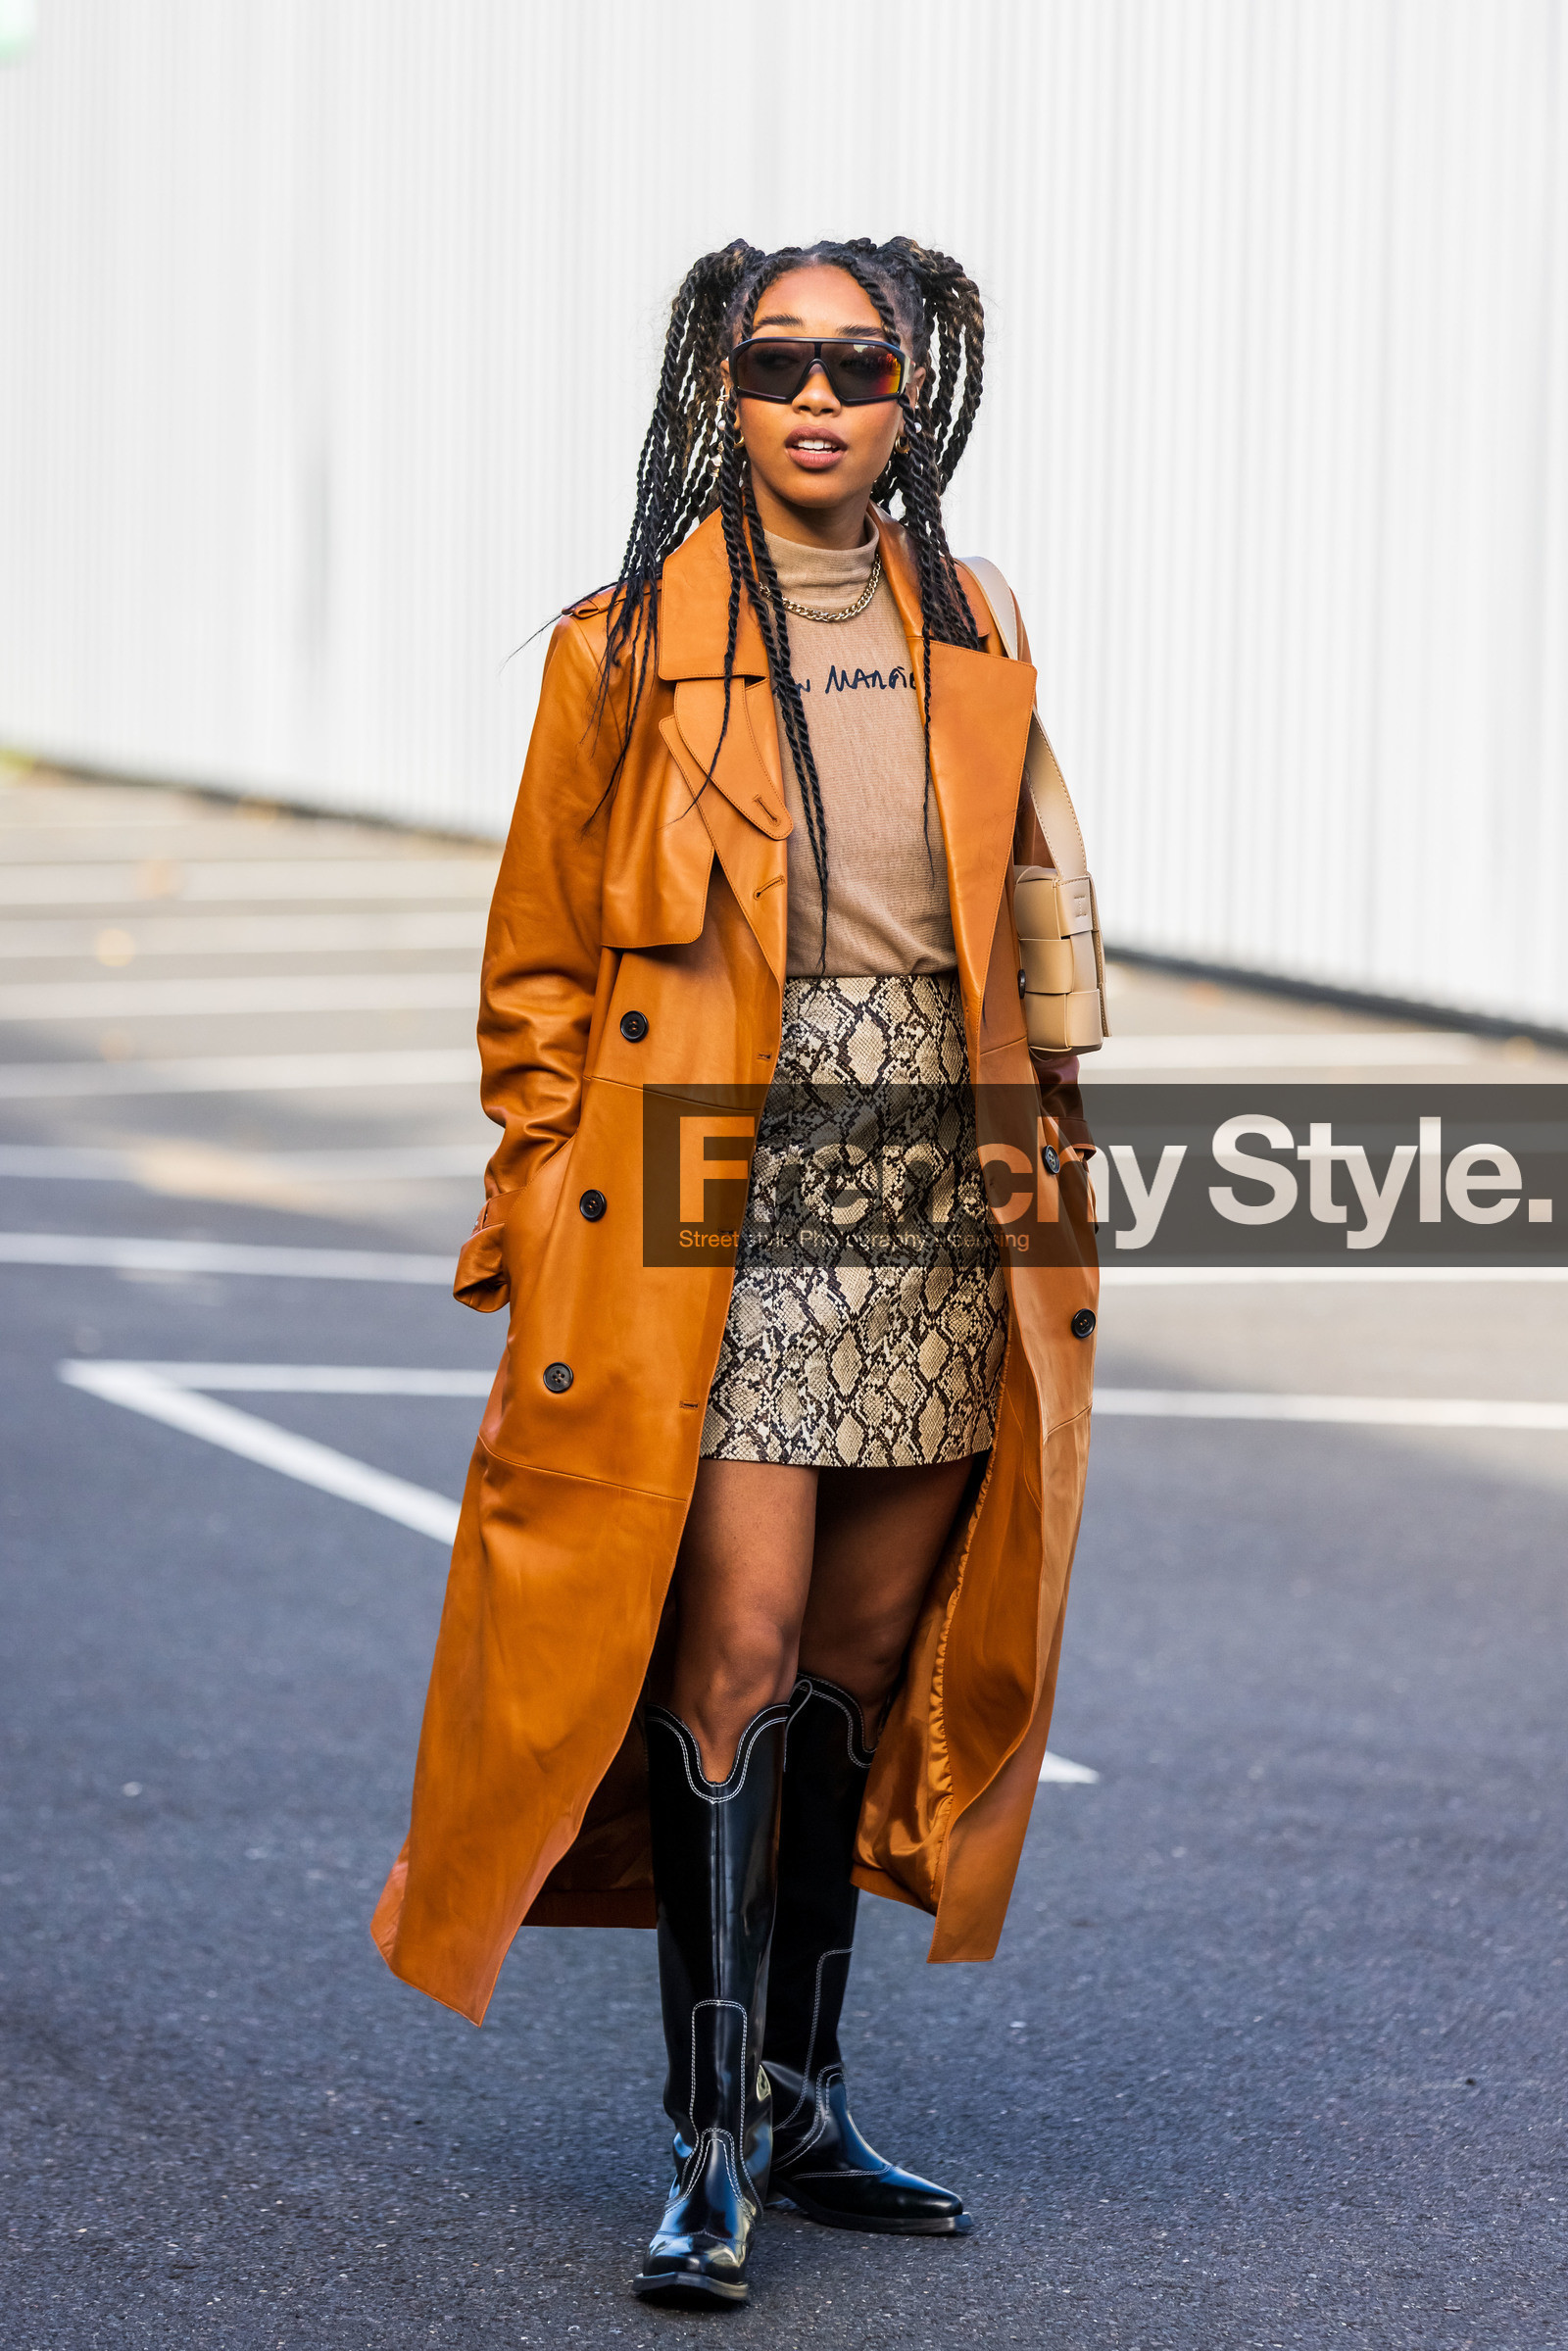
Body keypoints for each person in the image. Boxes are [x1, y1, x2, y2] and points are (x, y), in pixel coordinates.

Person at [371, 236, 1099, 2310]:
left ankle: (799, 2095)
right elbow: (530, 965)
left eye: (852, 364)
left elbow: (1039, 914)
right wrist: (538, 1197)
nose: (812, 397)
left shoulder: (979, 629)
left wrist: (1057, 1129)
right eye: (772, 361)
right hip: (716, 1181)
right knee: (741, 1635)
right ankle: (699, 2147)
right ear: (717, 389)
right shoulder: (618, 648)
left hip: (932, 1179)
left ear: (912, 395)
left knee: (863, 1657)